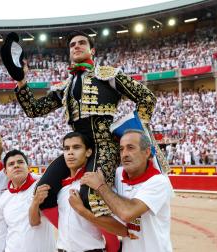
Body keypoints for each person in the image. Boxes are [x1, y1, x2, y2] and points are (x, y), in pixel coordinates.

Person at [14, 31, 157, 216]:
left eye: (82, 43)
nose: (77, 46)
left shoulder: (108, 75)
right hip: (77, 147)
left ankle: (113, 245)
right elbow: (34, 110)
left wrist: (138, 131)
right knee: (42, 193)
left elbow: (147, 98)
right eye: (73, 45)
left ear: (92, 50)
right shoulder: (65, 86)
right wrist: (21, 81)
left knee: (92, 197)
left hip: (105, 145)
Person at [74, 129, 173, 252]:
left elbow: (127, 213)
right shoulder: (118, 174)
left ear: (147, 152)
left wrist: (100, 186)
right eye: (121, 149)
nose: (124, 154)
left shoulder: (159, 182)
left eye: (130, 148)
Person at [29, 132, 127, 252]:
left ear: (88, 152)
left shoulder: (97, 185)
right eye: (66, 148)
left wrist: (81, 210)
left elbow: (121, 229)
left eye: (76, 147)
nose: (70, 152)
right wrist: (35, 202)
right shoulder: (60, 190)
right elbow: (34, 222)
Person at [0, 149, 55, 252]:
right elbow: (0, 234)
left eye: (20, 162)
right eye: (11, 164)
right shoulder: (3, 199)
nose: (16, 165)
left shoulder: (42, 187)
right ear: (6, 172)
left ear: (28, 167)